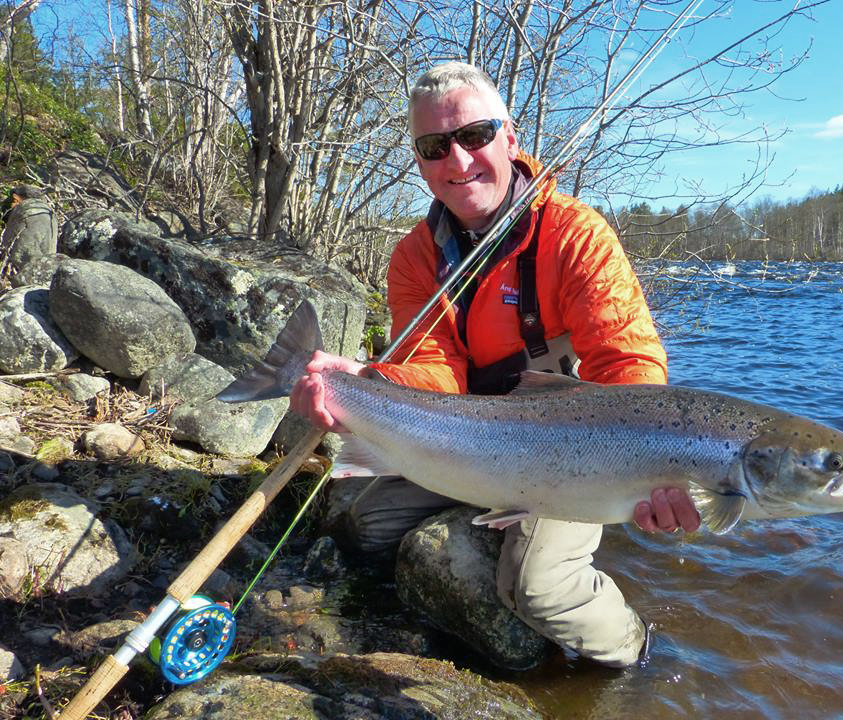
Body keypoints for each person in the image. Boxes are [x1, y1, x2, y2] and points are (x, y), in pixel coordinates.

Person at [291, 61, 700, 668]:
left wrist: (653, 466)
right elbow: (434, 369)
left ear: (510, 139)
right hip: (466, 435)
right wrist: (365, 388)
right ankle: (488, 517)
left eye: (475, 136)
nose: (457, 162)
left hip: (570, 453)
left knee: (539, 589)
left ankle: (640, 655)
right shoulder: (412, 258)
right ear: (421, 161)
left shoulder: (575, 236)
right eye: (434, 147)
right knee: (364, 526)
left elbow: (628, 362)